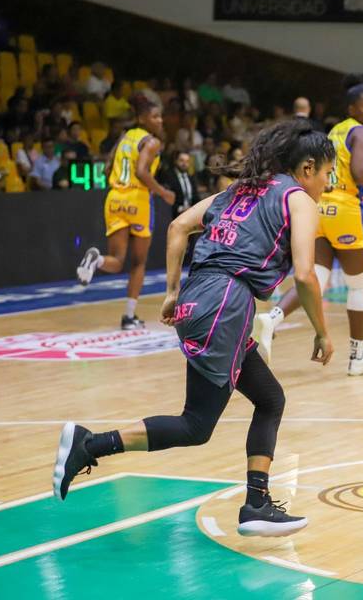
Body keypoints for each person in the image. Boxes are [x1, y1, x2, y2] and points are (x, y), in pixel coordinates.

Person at [51, 119, 336, 538]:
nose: (328, 184)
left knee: (270, 398)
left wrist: (170, 292)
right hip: (225, 304)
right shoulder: (298, 199)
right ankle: (89, 444)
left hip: (201, 298)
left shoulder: (240, 189)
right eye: (329, 174)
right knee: (196, 425)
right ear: (308, 167)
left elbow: (178, 226)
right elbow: (307, 276)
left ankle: (256, 502)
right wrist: (322, 332)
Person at [251, 79, 363, 376]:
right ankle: (357, 355)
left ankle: (272, 319)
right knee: (359, 286)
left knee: (317, 278)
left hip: (321, 205)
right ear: (352, 108)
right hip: (347, 210)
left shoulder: (336, 130)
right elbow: (360, 173)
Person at [75, 101, 176, 330]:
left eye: (160, 117)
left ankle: (96, 260)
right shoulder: (152, 142)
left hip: (114, 198)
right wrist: (164, 193)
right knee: (138, 262)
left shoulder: (124, 137)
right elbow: (141, 172)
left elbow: (107, 169)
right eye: (155, 116)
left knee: (117, 260)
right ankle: (129, 316)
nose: (159, 120)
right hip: (138, 200)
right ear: (142, 119)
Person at [162, 151, 200, 217]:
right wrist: (180, 209)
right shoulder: (168, 176)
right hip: (174, 214)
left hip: (191, 213)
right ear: (176, 161)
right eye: (181, 160)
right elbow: (166, 199)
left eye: (187, 161)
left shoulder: (191, 178)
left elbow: (195, 197)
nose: (184, 164)